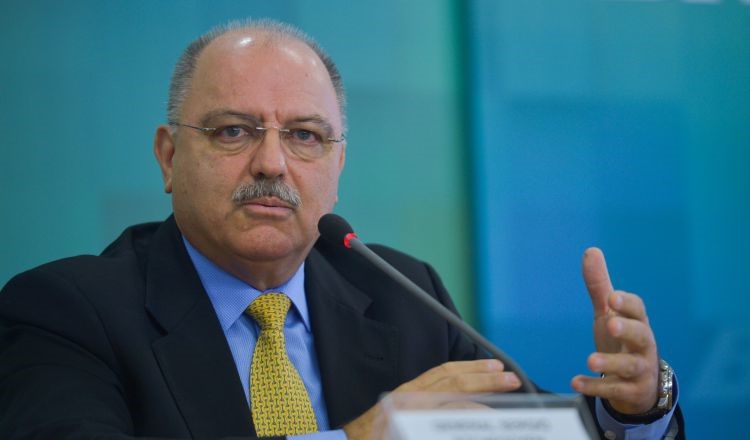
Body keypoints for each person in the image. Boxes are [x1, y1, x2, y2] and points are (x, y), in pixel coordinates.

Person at [0, 19, 683, 440]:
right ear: (169, 156)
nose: (272, 163)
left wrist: (636, 408)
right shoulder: (64, 311)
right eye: (234, 130)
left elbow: (531, 432)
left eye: (304, 135)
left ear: (338, 165)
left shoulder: (402, 291)